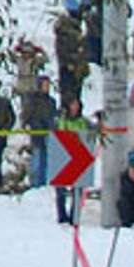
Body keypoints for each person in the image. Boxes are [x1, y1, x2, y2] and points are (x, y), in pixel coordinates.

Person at [54, 96, 87, 224]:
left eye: (77, 105)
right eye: (73, 105)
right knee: (60, 189)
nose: (75, 108)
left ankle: (75, 215)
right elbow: (60, 133)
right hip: (64, 153)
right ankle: (62, 215)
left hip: (79, 155)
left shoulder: (82, 121)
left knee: (78, 188)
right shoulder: (62, 120)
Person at [20, 74, 55, 187]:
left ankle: (44, 183)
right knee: (37, 159)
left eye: (48, 85)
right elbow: (27, 113)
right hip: (36, 131)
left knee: (46, 159)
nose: (47, 87)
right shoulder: (33, 101)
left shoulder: (51, 101)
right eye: (44, 85)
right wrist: (25, 123)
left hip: (48, 132)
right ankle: (35, 183)